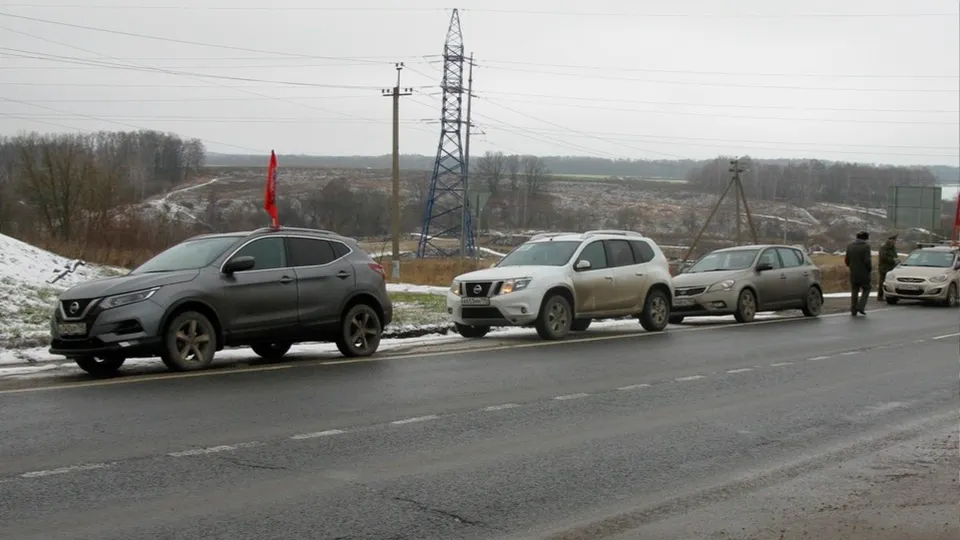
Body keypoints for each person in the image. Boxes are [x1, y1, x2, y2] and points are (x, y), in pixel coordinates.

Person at [844, 230, 872, 316]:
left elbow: (847, 260)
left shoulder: (850, 246)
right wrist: (869, 269)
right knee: (867, 289)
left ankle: (853, 310)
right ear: (865, 239)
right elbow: (867, 261)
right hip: (864, 273)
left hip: (853, 273)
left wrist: (852, 267)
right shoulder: (866, 247)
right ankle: (860, 306)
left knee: (854, 291)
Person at [877, 234, 899, 300]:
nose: (895, 242)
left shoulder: (893, 248)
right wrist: (893, 260)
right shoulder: (884, 248)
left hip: (892, 268)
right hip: (884, 268)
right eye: (894, 240)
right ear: (890, 240)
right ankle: (880, 296)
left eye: (895, 240)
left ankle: (892, 296)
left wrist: (897, 260)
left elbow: (895, 255)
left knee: (892, 282)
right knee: (882, 282)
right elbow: (883, 257)